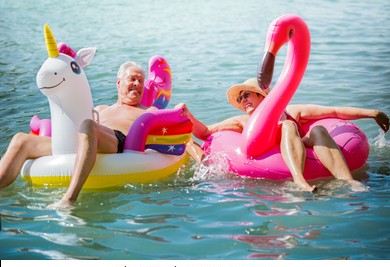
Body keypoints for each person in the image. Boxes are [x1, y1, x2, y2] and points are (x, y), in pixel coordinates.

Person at [177, 78, 389, 191]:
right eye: (240, 98)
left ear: (263, 96)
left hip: (302, 147)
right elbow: (205, 133)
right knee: (287, 127)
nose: (243, 100)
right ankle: (300, 181)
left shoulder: (291, 112)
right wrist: (188, 115)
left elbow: (333, 111)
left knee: (317, 129)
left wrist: (372, 113)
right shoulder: (243, 122)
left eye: (246, 94)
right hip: (271, 157)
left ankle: (349, 181)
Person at [0, 61, 156, 208]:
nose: (137, 84)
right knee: (21, 139)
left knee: (89, 126)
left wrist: (180, 110)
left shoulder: (148, 111)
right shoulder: (101, 109)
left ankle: (69, 199)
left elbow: (167, 120)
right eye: (133, 79)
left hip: (116, 140)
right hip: (82, 138)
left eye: (141, 81)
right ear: (119, 82)